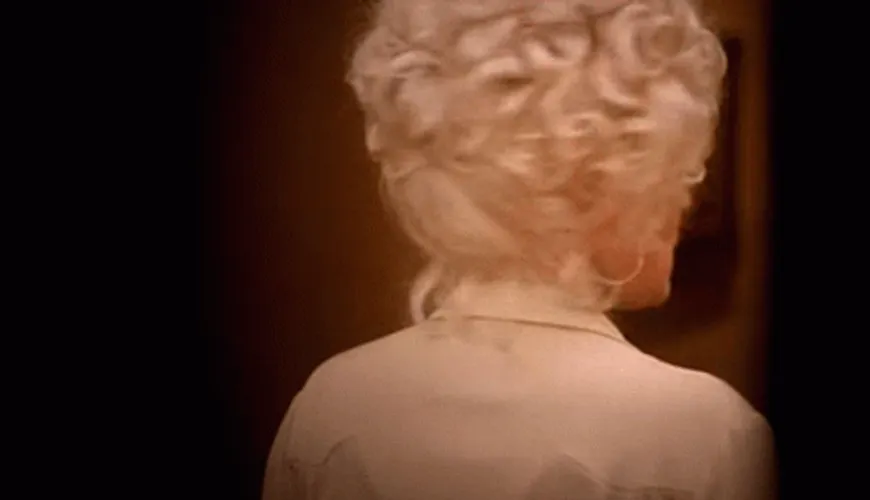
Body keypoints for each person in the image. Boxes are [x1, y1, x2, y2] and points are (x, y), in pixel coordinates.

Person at [263, 0, 776, 498]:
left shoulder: (334, 407)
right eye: (680, 180)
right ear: (608, 188)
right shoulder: (707, 435)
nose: (683, 214)